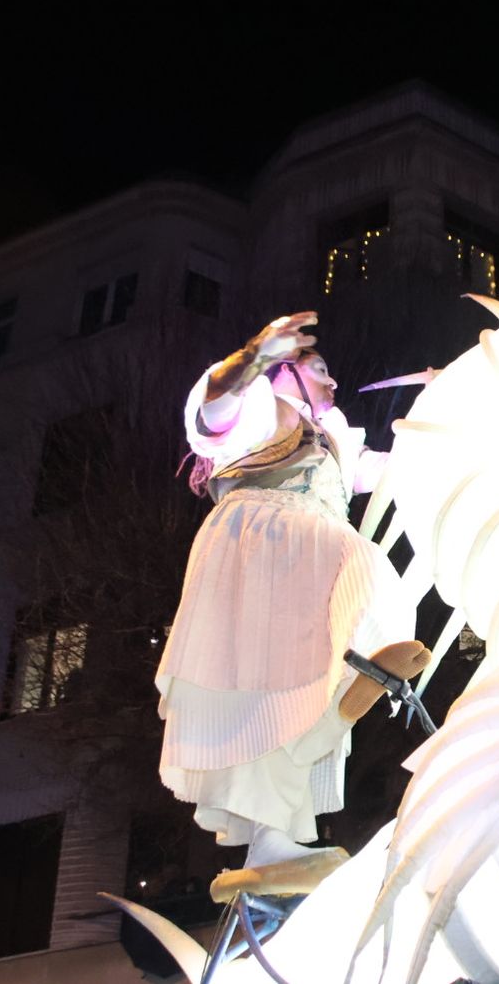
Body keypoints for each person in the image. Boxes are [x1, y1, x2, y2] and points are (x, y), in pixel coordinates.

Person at [155, 312, 427, 898]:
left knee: (298, 680)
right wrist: (255, 354)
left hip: (311, 556)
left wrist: (449, 406)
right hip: (265, 544)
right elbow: (214, 408)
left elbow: (405, 469)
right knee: (278, 679)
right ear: (284, 375)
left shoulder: (338, 441)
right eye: (320, 369)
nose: (333, 381)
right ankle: (341, 701)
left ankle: (282, 826)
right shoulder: (263, 412)